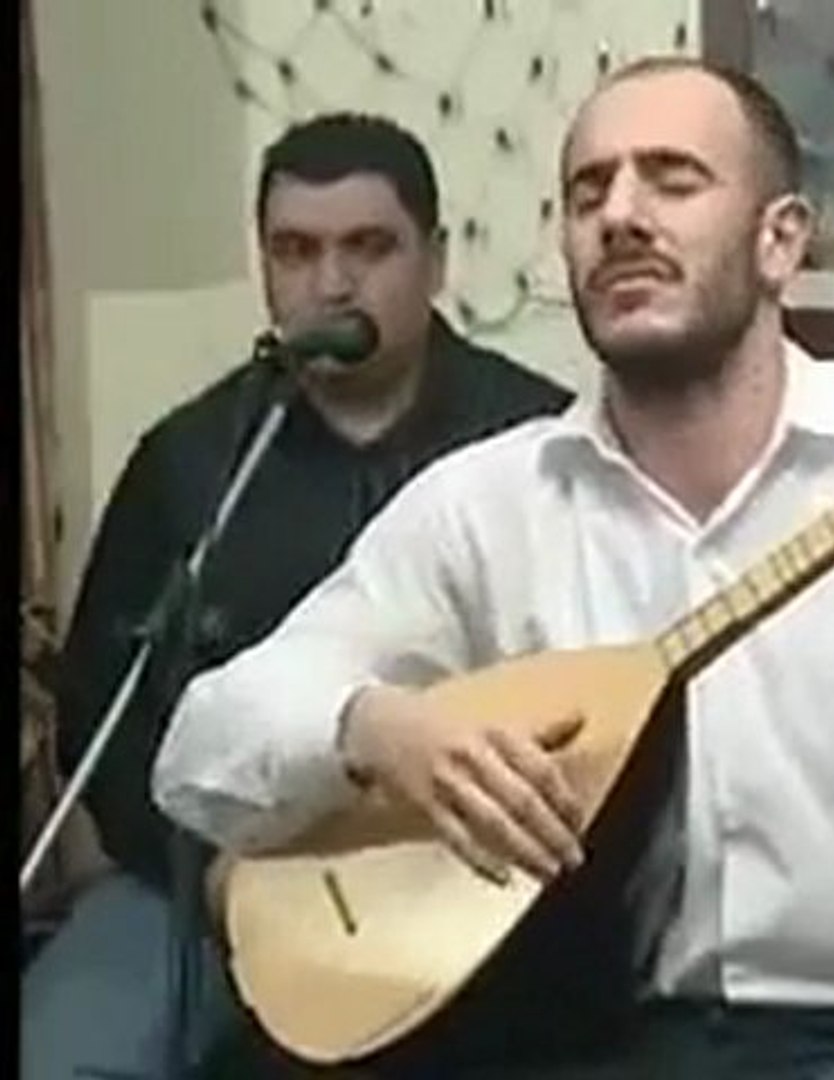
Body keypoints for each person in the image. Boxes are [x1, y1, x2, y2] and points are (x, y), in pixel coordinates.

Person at [152, 57, 834, 1079]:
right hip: (582, 1040)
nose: (620, 215)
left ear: (780, 241)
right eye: (590, 192)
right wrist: (380, 731)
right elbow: (201, 750)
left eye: (672, 180)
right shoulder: (488, 504)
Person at [22, 112, 572, 1080]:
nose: (332, 283)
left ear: (435, 260)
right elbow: (101, 725)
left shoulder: (537, 443)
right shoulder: (192, 462)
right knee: (70, 1051)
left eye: (369, 248)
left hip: (453, 877)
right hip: (204, 879)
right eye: (297, 251)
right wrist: (215, 876)